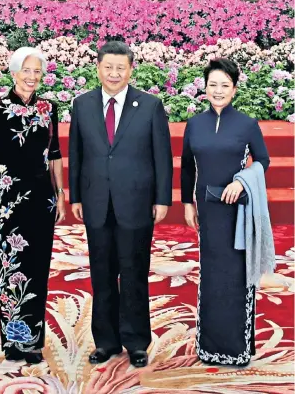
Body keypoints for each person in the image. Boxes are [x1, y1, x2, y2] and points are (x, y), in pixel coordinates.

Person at [69, 41, 173, 367]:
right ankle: (107, 342)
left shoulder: (150, 105)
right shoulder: (82, 105)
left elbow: (163, 157)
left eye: (121, 68)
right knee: (101, 274)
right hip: (96, 201)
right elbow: (76, 154)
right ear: (98, 68)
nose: (114, 73)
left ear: (131, 69)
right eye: (108, 67)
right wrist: (76, 196)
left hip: (137, 202)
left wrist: (162, 198)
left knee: (134, 273)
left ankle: (137, 341)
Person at [181, 58, 270, 366]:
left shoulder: (246, 124)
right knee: (211, 275)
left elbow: (263, 161)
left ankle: (237, 348)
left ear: (234, 89)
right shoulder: (194, 124)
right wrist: (187, 203)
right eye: (213, 85)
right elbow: (186, 167)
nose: (218, 91)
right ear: (205, 88)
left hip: (237, 212)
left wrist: (243, 182)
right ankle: (209, 347)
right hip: (207, 209)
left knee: (235, 275)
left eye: (225, 86)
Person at [0, 47, 66, 364]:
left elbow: (54, 154)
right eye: (26, 71)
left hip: (41, 200)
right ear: (14, 73)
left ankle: (32, 341)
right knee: (10, 270)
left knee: (37, 269)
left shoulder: (48, 109)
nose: (31, 77)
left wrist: (61, 194)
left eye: (37, 72)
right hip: (7, 203)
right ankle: (13, 342)